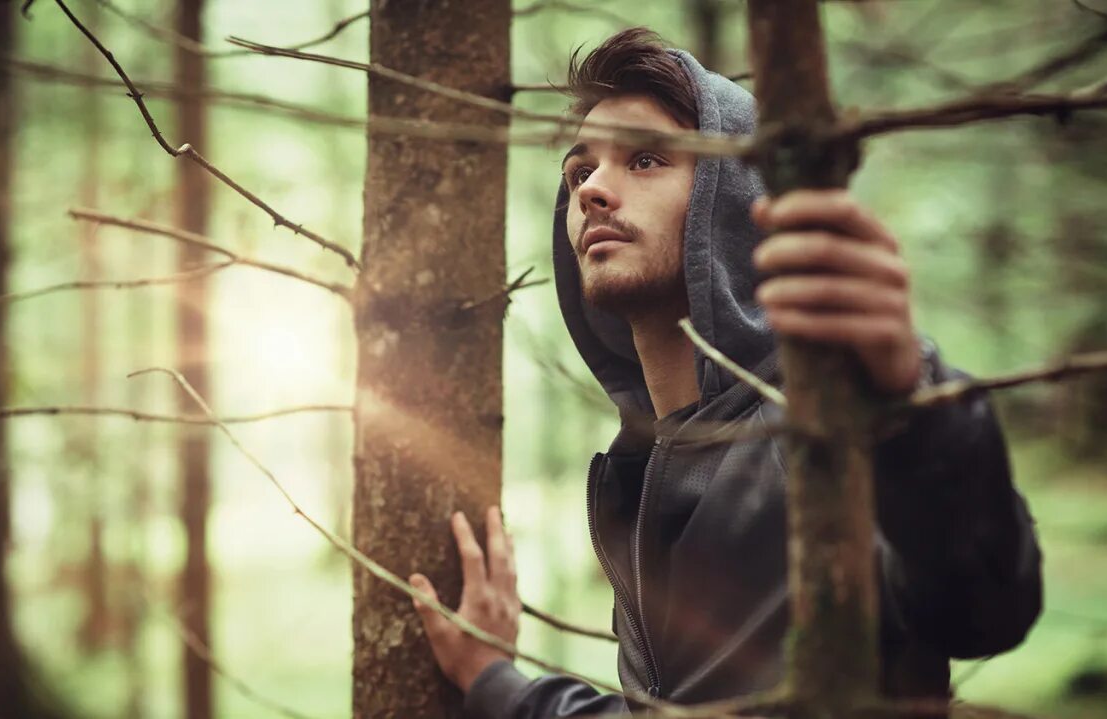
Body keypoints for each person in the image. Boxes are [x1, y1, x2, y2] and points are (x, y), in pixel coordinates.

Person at [408, 28, 1043, 717]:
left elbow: (986, 610)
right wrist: (494, 679)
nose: (591, 188)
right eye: (578, 171)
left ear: (732, 200)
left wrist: (911, 394)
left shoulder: (824, 428)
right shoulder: (642, 470)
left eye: (645, 158)